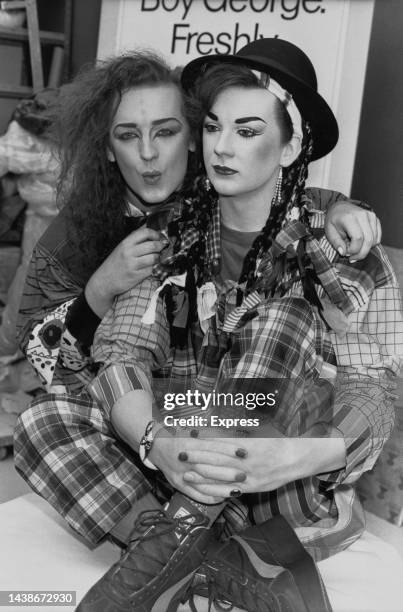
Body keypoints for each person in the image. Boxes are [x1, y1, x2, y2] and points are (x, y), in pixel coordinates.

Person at [15, 40, 402, 612]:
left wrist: (295, 457)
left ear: (291, 145)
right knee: (43, 420)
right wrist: (155, 440)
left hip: (281, 479)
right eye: (214, 127)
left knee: (279, 319)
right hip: (182, 462)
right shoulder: (171, 233)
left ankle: (168, 550)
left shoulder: (342, 251)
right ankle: (208, 560)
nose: (221, 147)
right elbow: (122, 352)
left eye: (247, 132)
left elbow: (375, 393)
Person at [15, 51, 380, 395]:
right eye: (127, 135)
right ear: (108, 149)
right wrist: (100, 288)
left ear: (191, 138)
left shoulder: (211, 179)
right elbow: (47, 364)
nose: (148, 154)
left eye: (166, 132)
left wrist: (340, 207)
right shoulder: (72, 235)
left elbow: (282, 191)